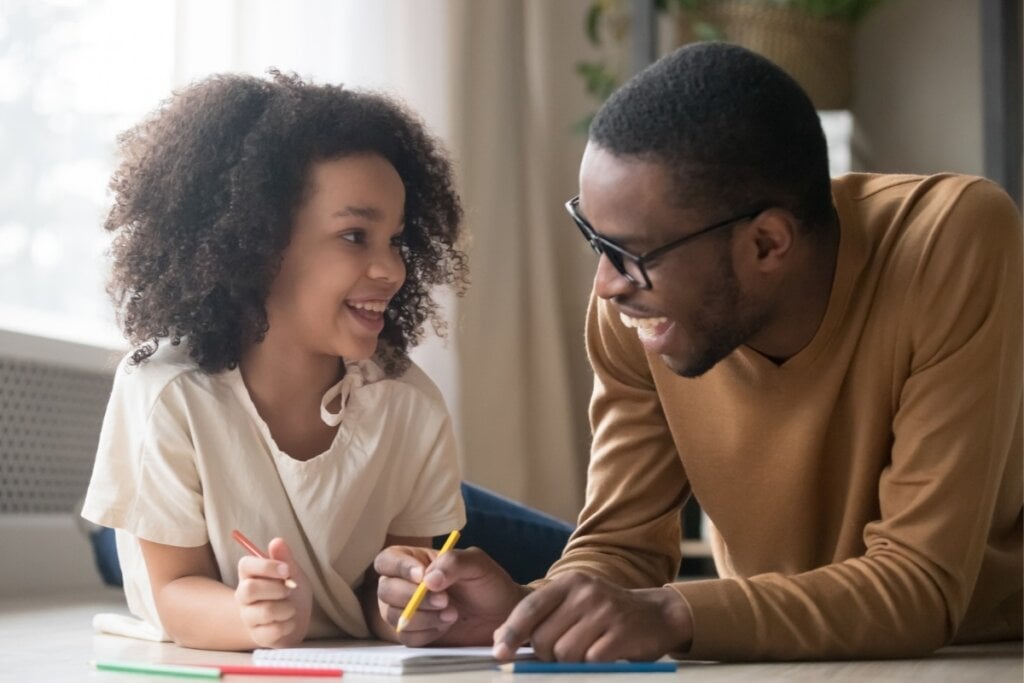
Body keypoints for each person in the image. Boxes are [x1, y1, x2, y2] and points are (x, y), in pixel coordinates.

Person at [373, 42, 1023, 661]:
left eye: (631, 254)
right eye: (594, 241)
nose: (605, 285)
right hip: (769, 662)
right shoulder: (636, 312)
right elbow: (619, 548)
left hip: (977, 657)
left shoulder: (950, 243)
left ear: (767, 244)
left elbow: (921, 585)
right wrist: (524, 608)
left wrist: (673, 613)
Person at [81, 71, 470, 650]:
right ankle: (110, 535)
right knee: (132, 549)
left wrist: (406, 608)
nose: (393, 269)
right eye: (356, 235)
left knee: (558, 562)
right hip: (186, 505)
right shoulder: (165, 391)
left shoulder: (409, 405)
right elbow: (175, 590)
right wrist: (249, 618)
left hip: (355, 513)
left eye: (396, 239)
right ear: (257, 244)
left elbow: (381, 599)